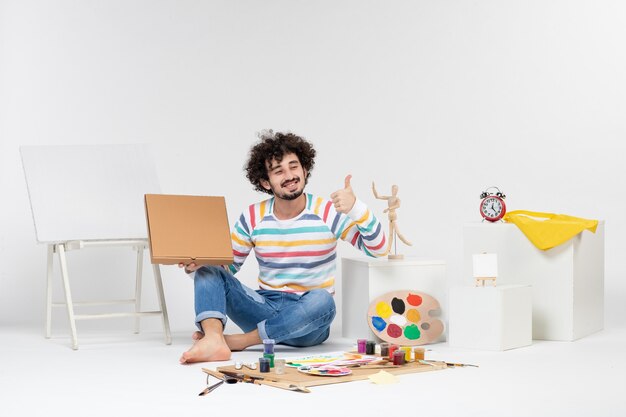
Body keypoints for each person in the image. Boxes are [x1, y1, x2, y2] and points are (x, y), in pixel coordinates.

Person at [178, 130, 388, 363]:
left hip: (309, 322)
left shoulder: (327, 212)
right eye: (279, 171)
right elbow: (227, 270)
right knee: (209, 271)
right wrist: (196, 266)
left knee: (323, 300)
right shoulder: (253, 216)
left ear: (305, 170)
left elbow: (378, 250)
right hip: (263, 307)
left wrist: (357, 209)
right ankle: (215, 340)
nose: (289, 175)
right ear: (266, 182)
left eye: (294, 166)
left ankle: (240, 341)